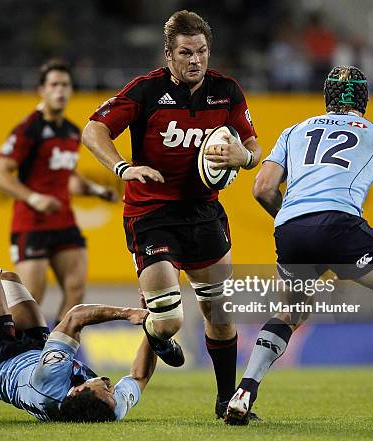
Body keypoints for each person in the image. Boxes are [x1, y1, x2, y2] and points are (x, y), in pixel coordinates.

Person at [225, 65, 373, 428]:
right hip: (339, 225)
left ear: (326, 98)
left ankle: (245, 389)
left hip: (291, 230)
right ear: (366, 100)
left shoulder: (294, 131)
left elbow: (262, 189)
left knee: (290, 312)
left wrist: (298, 221)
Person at [82, 10, 261, 418]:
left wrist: (245, 157)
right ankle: (158, 335)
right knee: (168, 319)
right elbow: (93, 130)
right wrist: (123, 168)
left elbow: (253, 145)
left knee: (218, 311)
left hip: (204, 213)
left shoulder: (226, 91)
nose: (196, 59)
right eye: (186, 52)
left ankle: (226, 403)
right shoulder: (145, 91)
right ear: (169, 54)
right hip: (152, 213)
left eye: (202, 51)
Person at [0, 133, 155, 422]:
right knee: (9, 278)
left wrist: (130, 314)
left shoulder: (50, 385)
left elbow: (75, 317)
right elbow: (138, 377)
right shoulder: (109, 410)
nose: (107, 382)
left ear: (75, 393)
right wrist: (155, 327)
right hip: (36, 353)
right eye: (113, 392)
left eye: (103, 387)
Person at [0, 60, 117, 317]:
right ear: (42, 90)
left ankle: (56, 350)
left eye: (66, 85)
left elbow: (67, 176)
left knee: (76, 289)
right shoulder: (29, 129)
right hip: (32, 224)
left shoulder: (71, 131)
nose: (60, 91)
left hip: (63, 222)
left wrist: (95, 190)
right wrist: (34, 198)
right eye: (54, 85)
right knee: (30, 299)